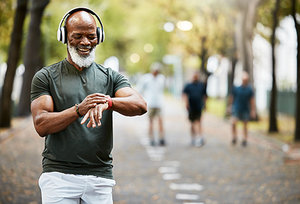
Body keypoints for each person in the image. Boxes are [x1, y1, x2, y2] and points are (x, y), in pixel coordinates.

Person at [30, 7, 147, 204]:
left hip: (100, 178)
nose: (85, 42)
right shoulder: (46, 77)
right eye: (78, 36)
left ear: (99, 37)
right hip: (59, 177)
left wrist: (108, 101)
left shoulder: (110, 77)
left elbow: (140, 105)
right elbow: (41, 124)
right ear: (64, 36)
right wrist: (78, 110)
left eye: (91, 36)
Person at [138, 62, 166, 146]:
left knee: (160, 121)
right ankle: (151, 138)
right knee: (151, 121)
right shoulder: (146, 78)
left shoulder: (161, 78)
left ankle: (161, 138)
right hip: (150, 103)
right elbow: (140, 89)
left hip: (159, 103)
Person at [229, 71, 255, 147]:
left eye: (246, 79)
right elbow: (232, 98)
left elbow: (252, 101)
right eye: (243, 79)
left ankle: (244, 139)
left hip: (246, 109)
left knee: (245, 125)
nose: (244, 80)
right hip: (236, 108)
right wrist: (230, 106)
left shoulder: (249, 89)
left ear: (247, 80)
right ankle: (234, 137)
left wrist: (253, 110)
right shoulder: (236, 88)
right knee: (233, 123)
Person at [182, 71, 207, 147]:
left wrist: (205, 104)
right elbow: (184, 94)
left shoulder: (201, 85)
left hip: (199, 106)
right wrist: (186, 103)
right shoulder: (188, 85)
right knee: (192, 123)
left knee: (198, 122)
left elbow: (204, 95)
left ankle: (199, 137)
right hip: (191, 107)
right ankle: (193, 138)